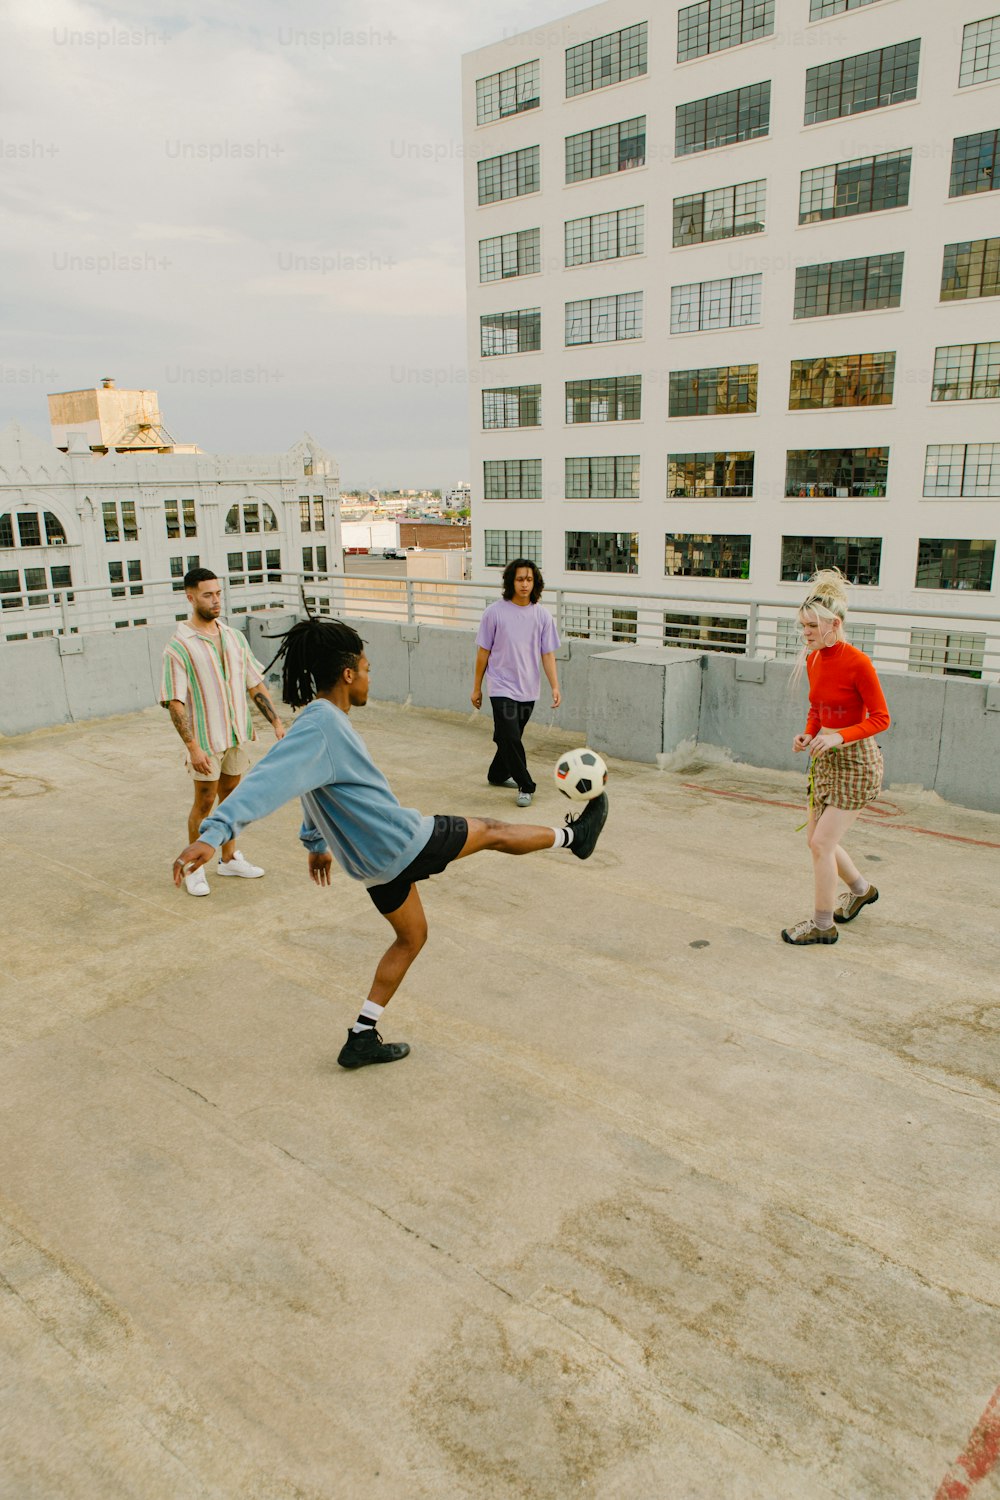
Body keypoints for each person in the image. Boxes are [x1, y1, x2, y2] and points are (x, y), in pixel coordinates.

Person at [171, 617, 609, 1069]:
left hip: (373, 865)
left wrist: (316, 842)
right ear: (348, 675)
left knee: (412, 936)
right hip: (401, 841)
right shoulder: (321, 724)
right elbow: (269, 778)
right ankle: (575, 838)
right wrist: (215, 832)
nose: (368, 677)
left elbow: (314, 786)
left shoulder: (321, 725)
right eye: (366, 668)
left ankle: (361, 1036)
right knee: (492, 831)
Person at [161, 567, 285, 898]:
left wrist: (275, 722)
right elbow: (175, 702)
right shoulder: (179, 646)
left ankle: (228, 858)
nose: (215, 600)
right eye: (207, 595)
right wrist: (192, 748)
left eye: (218, 594)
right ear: (190, 597)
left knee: (231, 799)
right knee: (203, 802)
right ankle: (195, 868)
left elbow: (254, 682)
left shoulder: (233, 637)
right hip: (205, 741)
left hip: (235, 737)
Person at [782, 568, 890, 946]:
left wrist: (838, 737)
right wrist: (808, 735)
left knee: (821, 844)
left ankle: (823, 925)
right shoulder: (813, 660)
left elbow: (881, 718)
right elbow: (817, 708)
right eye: (803, 626)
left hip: (856, 763)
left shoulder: (858, 662)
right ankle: (860, 889)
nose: (806, 633)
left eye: (812, 626)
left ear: (834, 624)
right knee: (817, 840)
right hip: (824, 759)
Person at [471, 557, 561, 808]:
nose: (524, 584)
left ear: (535, 583)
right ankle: (526, 785)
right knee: (510, 736)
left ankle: (497, 774)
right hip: (500, 685)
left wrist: (555, 686)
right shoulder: (494, 613)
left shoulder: (542, 616)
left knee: (508, 736)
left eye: (529, 579)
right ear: (511, 581)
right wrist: (477, 686)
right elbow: (483, 653)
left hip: (528, 688)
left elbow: (548, 654)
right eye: (520, 579)